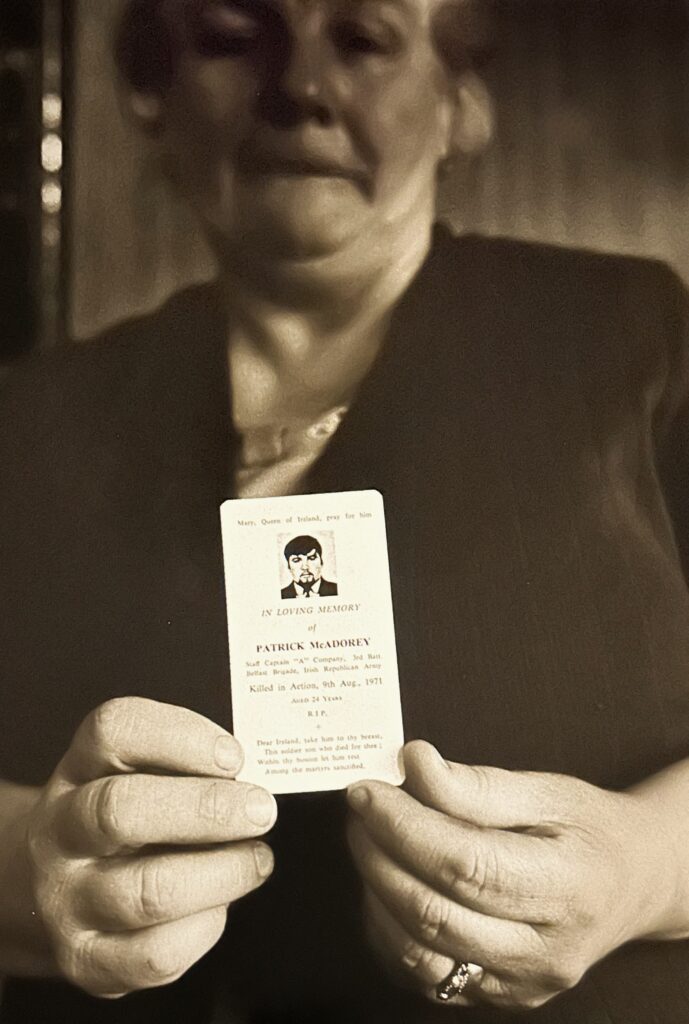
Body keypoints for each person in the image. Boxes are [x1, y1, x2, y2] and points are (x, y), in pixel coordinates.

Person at [0, 1, 688, 1022]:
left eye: (362, 39)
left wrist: (642, 872)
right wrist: (30, 873)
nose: (300, 89)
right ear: (150, 96)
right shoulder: (28, 421)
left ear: (461, 104)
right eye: (232, 36)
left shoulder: (635, 338)